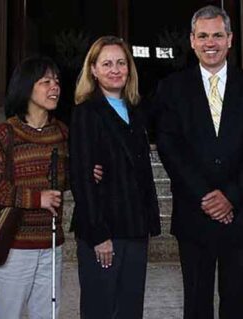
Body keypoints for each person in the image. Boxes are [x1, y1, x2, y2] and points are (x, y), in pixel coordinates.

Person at [154, 5, 243, 318]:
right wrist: (207, 197)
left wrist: (230, 196)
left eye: (218, 35)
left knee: (236, 305)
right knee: (196, 305)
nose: (211, 42)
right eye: (203, 36)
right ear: (192, 40)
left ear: (230, 39)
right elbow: (169, 147)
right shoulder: (171, 88)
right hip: (194, 215)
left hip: (242, 215)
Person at [69, 36, 161, 319]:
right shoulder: (86, 113)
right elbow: (82, 178)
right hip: (104, 232)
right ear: (93, 70)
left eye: (121, 63)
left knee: (130, 310)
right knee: (101, 309)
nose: (115, 69)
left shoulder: (136, 111)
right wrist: (99, 235)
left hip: (135, 227)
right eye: (106, 63)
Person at [0, 56, 69, 319]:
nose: (55, 87)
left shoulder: (62, 133)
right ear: (26, 87)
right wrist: (36, 199)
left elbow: (67, 178)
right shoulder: (5, 133)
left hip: (51, 245)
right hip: (12, 248)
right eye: (46, 81)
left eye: (57, 82)